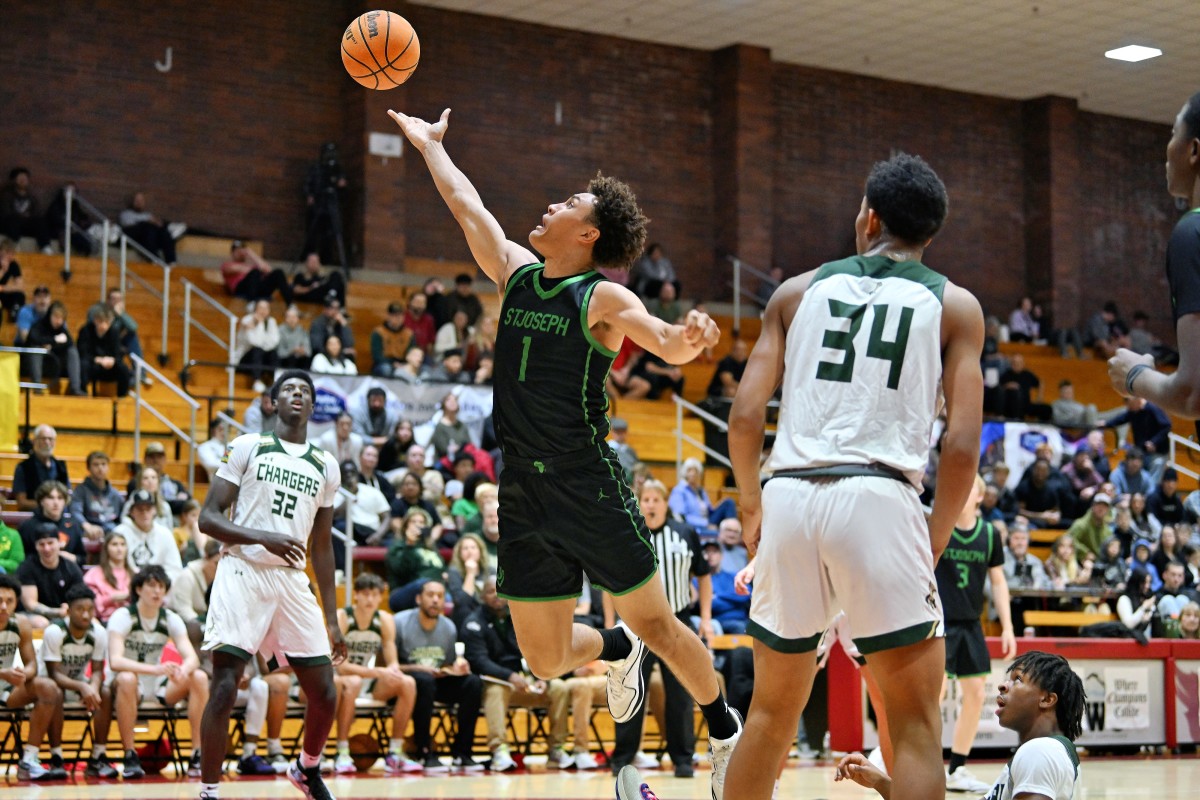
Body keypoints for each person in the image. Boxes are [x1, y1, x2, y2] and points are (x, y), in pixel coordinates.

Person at [389, 105, 741, 798]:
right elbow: (467, 206)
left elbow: (660, 338)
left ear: (587, 233)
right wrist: (430, 148)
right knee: (544, 658)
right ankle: (613, 651)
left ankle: (726, 731)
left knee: (661, 627)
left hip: (586, 483)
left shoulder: (600, 295)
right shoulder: (517, 274)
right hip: (521, 489)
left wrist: (691, 338)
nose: (550, 203)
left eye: (568, 201)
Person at [723, 153, 982, 800]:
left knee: (769, 716)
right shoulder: (956, 306)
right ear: (931, 234)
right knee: (916, 727)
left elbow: (746, 416)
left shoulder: (793, 293)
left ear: (868, 218)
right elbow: (961, 446)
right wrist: (937, 534)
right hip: (879, 493)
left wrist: (752, 508)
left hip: (789, 493)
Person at [196, 370, 345, 800]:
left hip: (292, 580)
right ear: (272, 402)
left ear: (313, 407)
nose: (298, 395)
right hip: (242, 569)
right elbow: (209, 518)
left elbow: (322, 547)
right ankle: (209, 791)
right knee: (225, 684)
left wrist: (332, 620)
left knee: (324, 692)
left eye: (306, 392)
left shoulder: (325, 465)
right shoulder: (247, 446)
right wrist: (262, 536)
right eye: (289, 390)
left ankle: (305, 769)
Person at [833, 651, 1085, 800]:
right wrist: (880, 782)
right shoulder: (1042, 752)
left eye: (1018, 679)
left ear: (1047, 699)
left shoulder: (1040, 752)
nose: (1003, 685)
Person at [611, 479, 712, 778]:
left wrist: (705, 617)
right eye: (647, 499)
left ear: (666, 503)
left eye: (657, 499)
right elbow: (612, 582)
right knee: (633, 692)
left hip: (678, 621)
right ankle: (623, 759)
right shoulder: (629, 534)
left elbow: (703, 577)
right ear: (639, 503)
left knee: (681, 694)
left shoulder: (685, 533)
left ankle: (682, 758)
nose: (651, 504)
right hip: (637, 624)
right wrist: (609, 622)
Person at [1109, 92, 1200, 417]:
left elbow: (1193, 394)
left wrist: (1135, 376)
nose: (1168, 150)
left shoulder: (1192, 233)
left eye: (1174, 133)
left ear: (1194, 150)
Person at [935, 476, 1017, 792]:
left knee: (977, 695)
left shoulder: (989, 534)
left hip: (970, 623)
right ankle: (928, 764)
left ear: (980, 496)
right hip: (940, 622)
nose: (959, 489)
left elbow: (998, 582)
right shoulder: (939, 525)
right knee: (936, 695)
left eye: (968, 486)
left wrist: (1008, 627)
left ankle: (957, 769)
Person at [107, 564, 208, 779]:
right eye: (151, 586)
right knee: (126, 679)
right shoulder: (123, 616)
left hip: (157, 682)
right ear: (138, 589)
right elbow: (115, 661)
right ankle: (130, 755)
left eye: (161, 587)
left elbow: (192, 658)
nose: (157, 592)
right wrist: (154, 669)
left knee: (198, 677)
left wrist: (183, 670)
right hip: (128, 683)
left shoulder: (170, 618)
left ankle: (198, 754)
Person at [462, 576, 573, 771]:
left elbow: (534, 650)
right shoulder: (473, 623)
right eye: (490, 591)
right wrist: (509, 677)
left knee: (559, 688)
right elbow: (479, 662)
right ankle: (499, 750)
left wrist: (540, 677)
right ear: (482, 596)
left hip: (523, 680)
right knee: (496, 691)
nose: (496, 596)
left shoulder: (518, 618)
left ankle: (557, 749)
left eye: (499, 590)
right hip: (495, 682)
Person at [332, 573, 420, 774]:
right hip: (339, 678)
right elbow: (339, 664)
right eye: (365, 594)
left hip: (368, 678)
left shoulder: (385, 619)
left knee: (407, 683)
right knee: (353, 681)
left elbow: (392, 661)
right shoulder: (342, 617)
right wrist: (375, 672)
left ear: (381, 597)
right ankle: (342, 752)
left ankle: (395, 752)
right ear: (355, 595)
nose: (370, 599)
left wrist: (393, 672)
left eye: (375, 595)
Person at [394, 579, 482, 771]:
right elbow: (389, 666)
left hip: (436, 682)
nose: (435, 600)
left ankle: (462, 753)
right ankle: (424, 752)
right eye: (430, 595)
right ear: (418, 599)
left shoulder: (449, 627)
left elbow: (446, 664)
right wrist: (419, 669)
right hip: (406, 683)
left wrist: (457, 668)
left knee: (473, 683)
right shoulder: (399, 622)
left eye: (440, 596)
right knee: (425, 681)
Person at [39, 583, 118, 778]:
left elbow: (98, 670)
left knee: (105, 692)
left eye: (90, 609)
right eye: (80, 609)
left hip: (76, 683)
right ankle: (56, 757)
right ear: (68, 610)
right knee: (55, 692)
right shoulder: (55, 631)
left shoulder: (98, 632)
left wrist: (93, 687)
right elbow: (53, 674)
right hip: (49, 684)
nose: (85, 615)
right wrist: (83, 686)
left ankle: (98, 755)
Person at [0, 573, 66, 781]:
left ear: (16, 603)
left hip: (6, 688)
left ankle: (29, 759)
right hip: (4, 677)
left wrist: (23, 674)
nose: (3, 606)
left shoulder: (21, 624)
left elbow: (31, 665)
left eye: (9, 601)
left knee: (48, 688)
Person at [17, 522, 84, 630]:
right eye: (42, 544)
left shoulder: (71, 567)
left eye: (50, 543)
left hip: (65, 612)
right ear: (36, 546)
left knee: (91, 622)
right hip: (33, 615)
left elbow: (80, 596)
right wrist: (57, 612)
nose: (47, 548)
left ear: (59, 543)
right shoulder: (27, 567)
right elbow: (30, 604)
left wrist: (70, 607)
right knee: (41, 623)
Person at [113, 489, 183, 580]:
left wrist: (158, 583)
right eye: (140, 509)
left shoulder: (165, 534)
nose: (144, 513)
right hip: (127, 585)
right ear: (131, 512)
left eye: (148, 509)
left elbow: (175, 569)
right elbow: (113, 567)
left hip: (159, 586)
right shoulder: (119, 533)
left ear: (154, 511)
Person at [18, 480, 86, 562]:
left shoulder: (73, 525)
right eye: (50, 498)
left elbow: (82, 558)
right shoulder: (27, 527)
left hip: (67, 572)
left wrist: (72, 558)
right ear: (41, 501)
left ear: (65, 502)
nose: (56, 503)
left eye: (60, 498)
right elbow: (22, 558)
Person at [26, 300, 83, 395]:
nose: (59, 321)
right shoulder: (39, 326)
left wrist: (51, 345)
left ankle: (75, 388)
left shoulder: (62, 330)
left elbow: (69, 342)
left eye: (61, 318)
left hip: (56, 364)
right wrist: (54, 340)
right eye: (56, 317)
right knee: (36, 350)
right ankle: (37, 388)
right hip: (38, 364)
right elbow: (33, 339)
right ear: (50, 315)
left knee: (72, 351)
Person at [668, 457, 738, 532]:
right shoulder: (679, 491)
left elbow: (708, 510)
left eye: (696, 471)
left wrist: (719, 506)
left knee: (729, 503)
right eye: (689, 470)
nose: (693, 473)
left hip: (708, 519)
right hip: (695, 525)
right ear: (685, 473)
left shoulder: (701, 490)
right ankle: (730, 532)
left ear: (700, 474)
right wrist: (705, 524)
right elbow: (680, 516)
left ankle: (733, 530)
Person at [10, 424, 69, 510]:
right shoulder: (23, 468)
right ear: (34, 441)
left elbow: (67, 495)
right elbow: (22, 503)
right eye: (43, 439)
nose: (47, 442)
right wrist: (48, 505)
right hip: (33, 517)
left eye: (50, 439)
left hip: (59, 517)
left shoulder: (61, 467)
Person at [77, 304, 131, 396]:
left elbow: (117, 353)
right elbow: (82, 352)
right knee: (83, 364)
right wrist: (97, 359)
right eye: (101, 321)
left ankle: (122, 397)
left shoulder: (114, 332)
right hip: (92, 364)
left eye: (106, 322)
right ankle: (83, 392)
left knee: (123, 369)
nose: (104, 325)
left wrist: (112, 360)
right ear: (95, 321)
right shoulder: (85, 330)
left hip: (109, 366)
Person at [69, 450, 124, 539]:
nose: (100, 468)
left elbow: (123, 516)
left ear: (108, 467)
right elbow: (75, 512)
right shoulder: (80, 490)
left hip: (112, 534)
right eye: (96, 464)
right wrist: (87, 526)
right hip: (89, 532)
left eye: (103, 464)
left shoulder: (115, 494)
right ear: (88, 468)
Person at [118, 191, 181, 265]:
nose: (139, 202)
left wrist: (157, 223)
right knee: (147, 227)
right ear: (132, 202)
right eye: (137, 200)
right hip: (136, 237)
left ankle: (171, 261)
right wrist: (147, 222)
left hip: (150, 237)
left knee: (164, 232)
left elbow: (158, 224)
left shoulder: (147, 215)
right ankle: (155, 259)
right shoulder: (126, 214)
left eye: (141, 200)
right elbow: (129, 226)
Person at [83, 531, 133, 623]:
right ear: (106, 548)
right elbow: (94, 604)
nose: (119, 549)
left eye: (122, 544)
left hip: (131, 620)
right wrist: (114, 597)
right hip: (105, 621)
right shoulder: (93, 575)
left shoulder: (135, 574)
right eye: (114, 544)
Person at [220, 241, 291, 304]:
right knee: (255, 273)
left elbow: (268, 270)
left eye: (242, 251)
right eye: (237, 251)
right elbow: (233, 269)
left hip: (257, 288)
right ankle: (252, 304)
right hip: (241, 290)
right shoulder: (227, 264)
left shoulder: (252, 266)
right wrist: (254, 270)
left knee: (278, 273)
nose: (240, 253)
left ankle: (290, 306)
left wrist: (251, 254)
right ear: (232, 253)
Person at [0, 167, 52, 253]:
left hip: (26, 224)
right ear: (14, 180)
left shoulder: (31, 197)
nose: (23, 180)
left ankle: (46, 248)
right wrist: (20, 216)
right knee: (12, 220)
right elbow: (5, 213)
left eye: (25, 178)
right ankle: (13, 246)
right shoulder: (7, 195)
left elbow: (37, 213)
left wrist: (28, 216)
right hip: (12, 224)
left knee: (40, 222)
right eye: (20, 178)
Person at [234, 299, 280, 394]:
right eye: (260, 308)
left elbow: (274, 341)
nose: (263, 310)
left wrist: (264, 342)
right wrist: (260, 324)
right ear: (255, 309)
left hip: (262, 359)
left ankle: (275, 382)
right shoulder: (247, 320)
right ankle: (257, 381)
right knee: (257, 350)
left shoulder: (271, 321)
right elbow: (255, 342)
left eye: (266, 308)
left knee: (273, 353)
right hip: (245, 361)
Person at [371, 301, 414, 377]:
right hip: (384, 363)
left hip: (402, 363)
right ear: (388, 316)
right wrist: (392, 363)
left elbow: (411, 352)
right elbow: (377, 356)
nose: (398, 319)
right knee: (386, 369)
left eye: (400, 316)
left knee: (412, 369)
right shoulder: (378, 332)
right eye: (395, 316)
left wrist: (404, 364)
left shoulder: (409, 334)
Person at [308, 296, 356, 361]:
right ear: (325, 309)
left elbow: (349, 343)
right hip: (323, 355)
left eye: (337, 308)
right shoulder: (317, 323)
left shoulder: (339, 323)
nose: (336, 312)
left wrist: (344, 324)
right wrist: (334, 350)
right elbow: (316, 345)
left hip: (339, 355)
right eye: (333, 308)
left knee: (350, 355)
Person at [276, 304, 312, 369]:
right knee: (291, 358)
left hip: (299, 358)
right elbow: (280, 352)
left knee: (307, 359)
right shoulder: (280, 330)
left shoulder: (302, 330)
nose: (292, 320)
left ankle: (304, 378)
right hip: (285, 359)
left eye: (294, 317)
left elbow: (308, 351)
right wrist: (292, 350)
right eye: (289, 317)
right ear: (285, 319)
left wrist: (303, 351)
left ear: (298, 319)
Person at [0, 239, 26, 321]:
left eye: (11, 253)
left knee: (20, 295)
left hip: (3, 292)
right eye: (7, 253)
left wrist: (2, 288)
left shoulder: (13, 264)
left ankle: (14, 313)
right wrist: (3, 271)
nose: (10, 256)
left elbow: (20, 287)